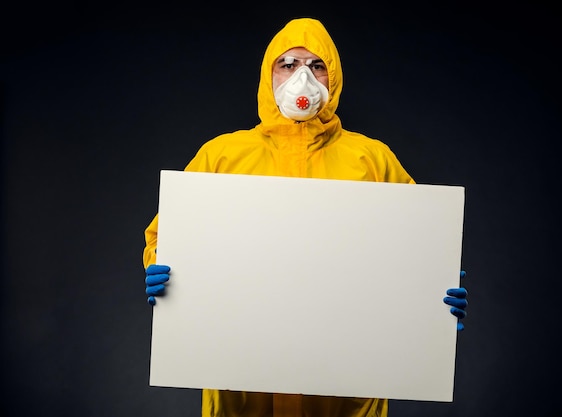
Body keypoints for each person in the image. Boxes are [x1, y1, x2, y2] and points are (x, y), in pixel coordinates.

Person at [143, 17, 468, 417]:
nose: (303, 78)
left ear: (333, 79)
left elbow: (419, 242)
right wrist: (164, 271)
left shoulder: (371, 159)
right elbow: (168, 233)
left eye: (317, 66)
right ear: (269, 75)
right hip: (242, 376)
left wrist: (434, 299)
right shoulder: (222, 156)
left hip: (346, 378)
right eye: (289, 64)